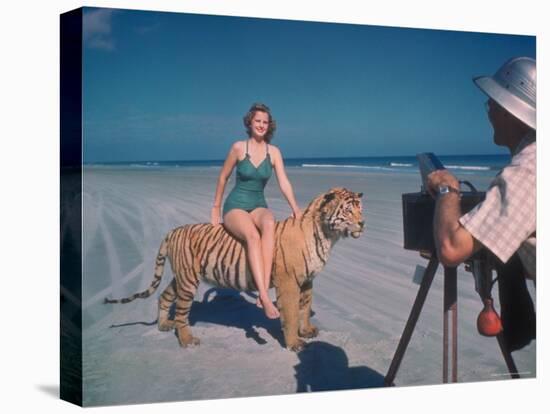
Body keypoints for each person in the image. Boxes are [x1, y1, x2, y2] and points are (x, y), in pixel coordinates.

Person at [427, 56, 536, 281]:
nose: (488, 113)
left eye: (491, 104)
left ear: (509, 111)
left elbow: (451, 249)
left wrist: (447, 190)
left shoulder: (527, 172)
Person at [211, 103, 302, 319]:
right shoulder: (238, 148)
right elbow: (223, 177)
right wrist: (215, 207)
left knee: (269, 224)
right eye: (258, 121)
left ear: (269, 125)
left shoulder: (274, 152)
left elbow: (284, 183)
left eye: (265, 122)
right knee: (252, 235)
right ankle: (263, 295)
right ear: (250, 122)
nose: (261, 125)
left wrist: (296, 208)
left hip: (258, 204)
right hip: (236, 206)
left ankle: (264, 290)